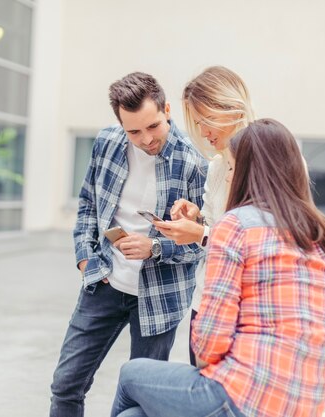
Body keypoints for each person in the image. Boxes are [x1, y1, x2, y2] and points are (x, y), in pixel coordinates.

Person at [111, 119, 325, 417]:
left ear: (249, 172)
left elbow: (208, 347)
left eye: (230, 168)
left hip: (240, 398)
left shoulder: (235, 226)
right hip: (302, 408)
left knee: (130, 373)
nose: (227, 178)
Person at [49, 72, 208, 417]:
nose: (146, 139)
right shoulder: (107, 142)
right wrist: (86, 262)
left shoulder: (195, 161)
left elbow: (203, 243)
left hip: (160, 297)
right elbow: (88, 207)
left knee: (139, 402)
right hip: (104, 284)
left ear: (167, 109)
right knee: (65, 385)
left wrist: (155, 247)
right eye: (133, 131)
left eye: (153, 126)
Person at [153, 66, 254, 365]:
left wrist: (201, 234)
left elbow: (266, 244)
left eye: (207, 121)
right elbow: (214, 230)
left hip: (247, 308)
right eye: (197, 123)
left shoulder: (273, 158)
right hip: (206, 300)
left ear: (231, 106)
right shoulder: (216, 166)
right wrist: (198, 221)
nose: (203, 132)